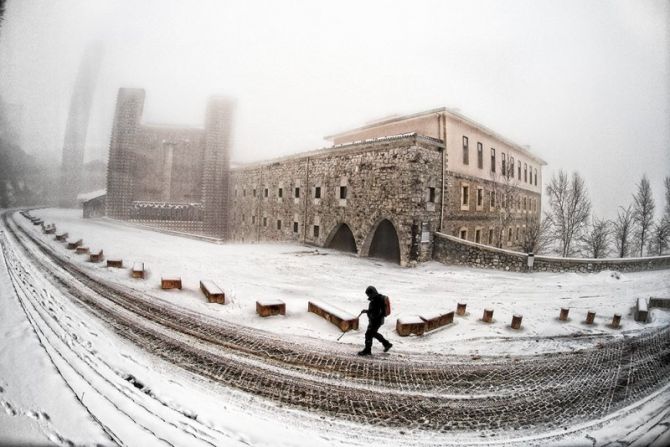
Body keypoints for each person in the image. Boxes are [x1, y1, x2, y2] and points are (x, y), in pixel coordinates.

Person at [358, 285, 392, 356]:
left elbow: (376, 312)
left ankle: (368, 350)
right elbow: (374, 311)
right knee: (372, 333)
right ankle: (386, 344)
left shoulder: (376, 300)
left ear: (371, 293)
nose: (368, 295)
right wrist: (367, 311)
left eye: (368, 294)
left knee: (369, 334)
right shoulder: (377, 298)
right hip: (377, 320)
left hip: (376, 321)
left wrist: (369, 313)